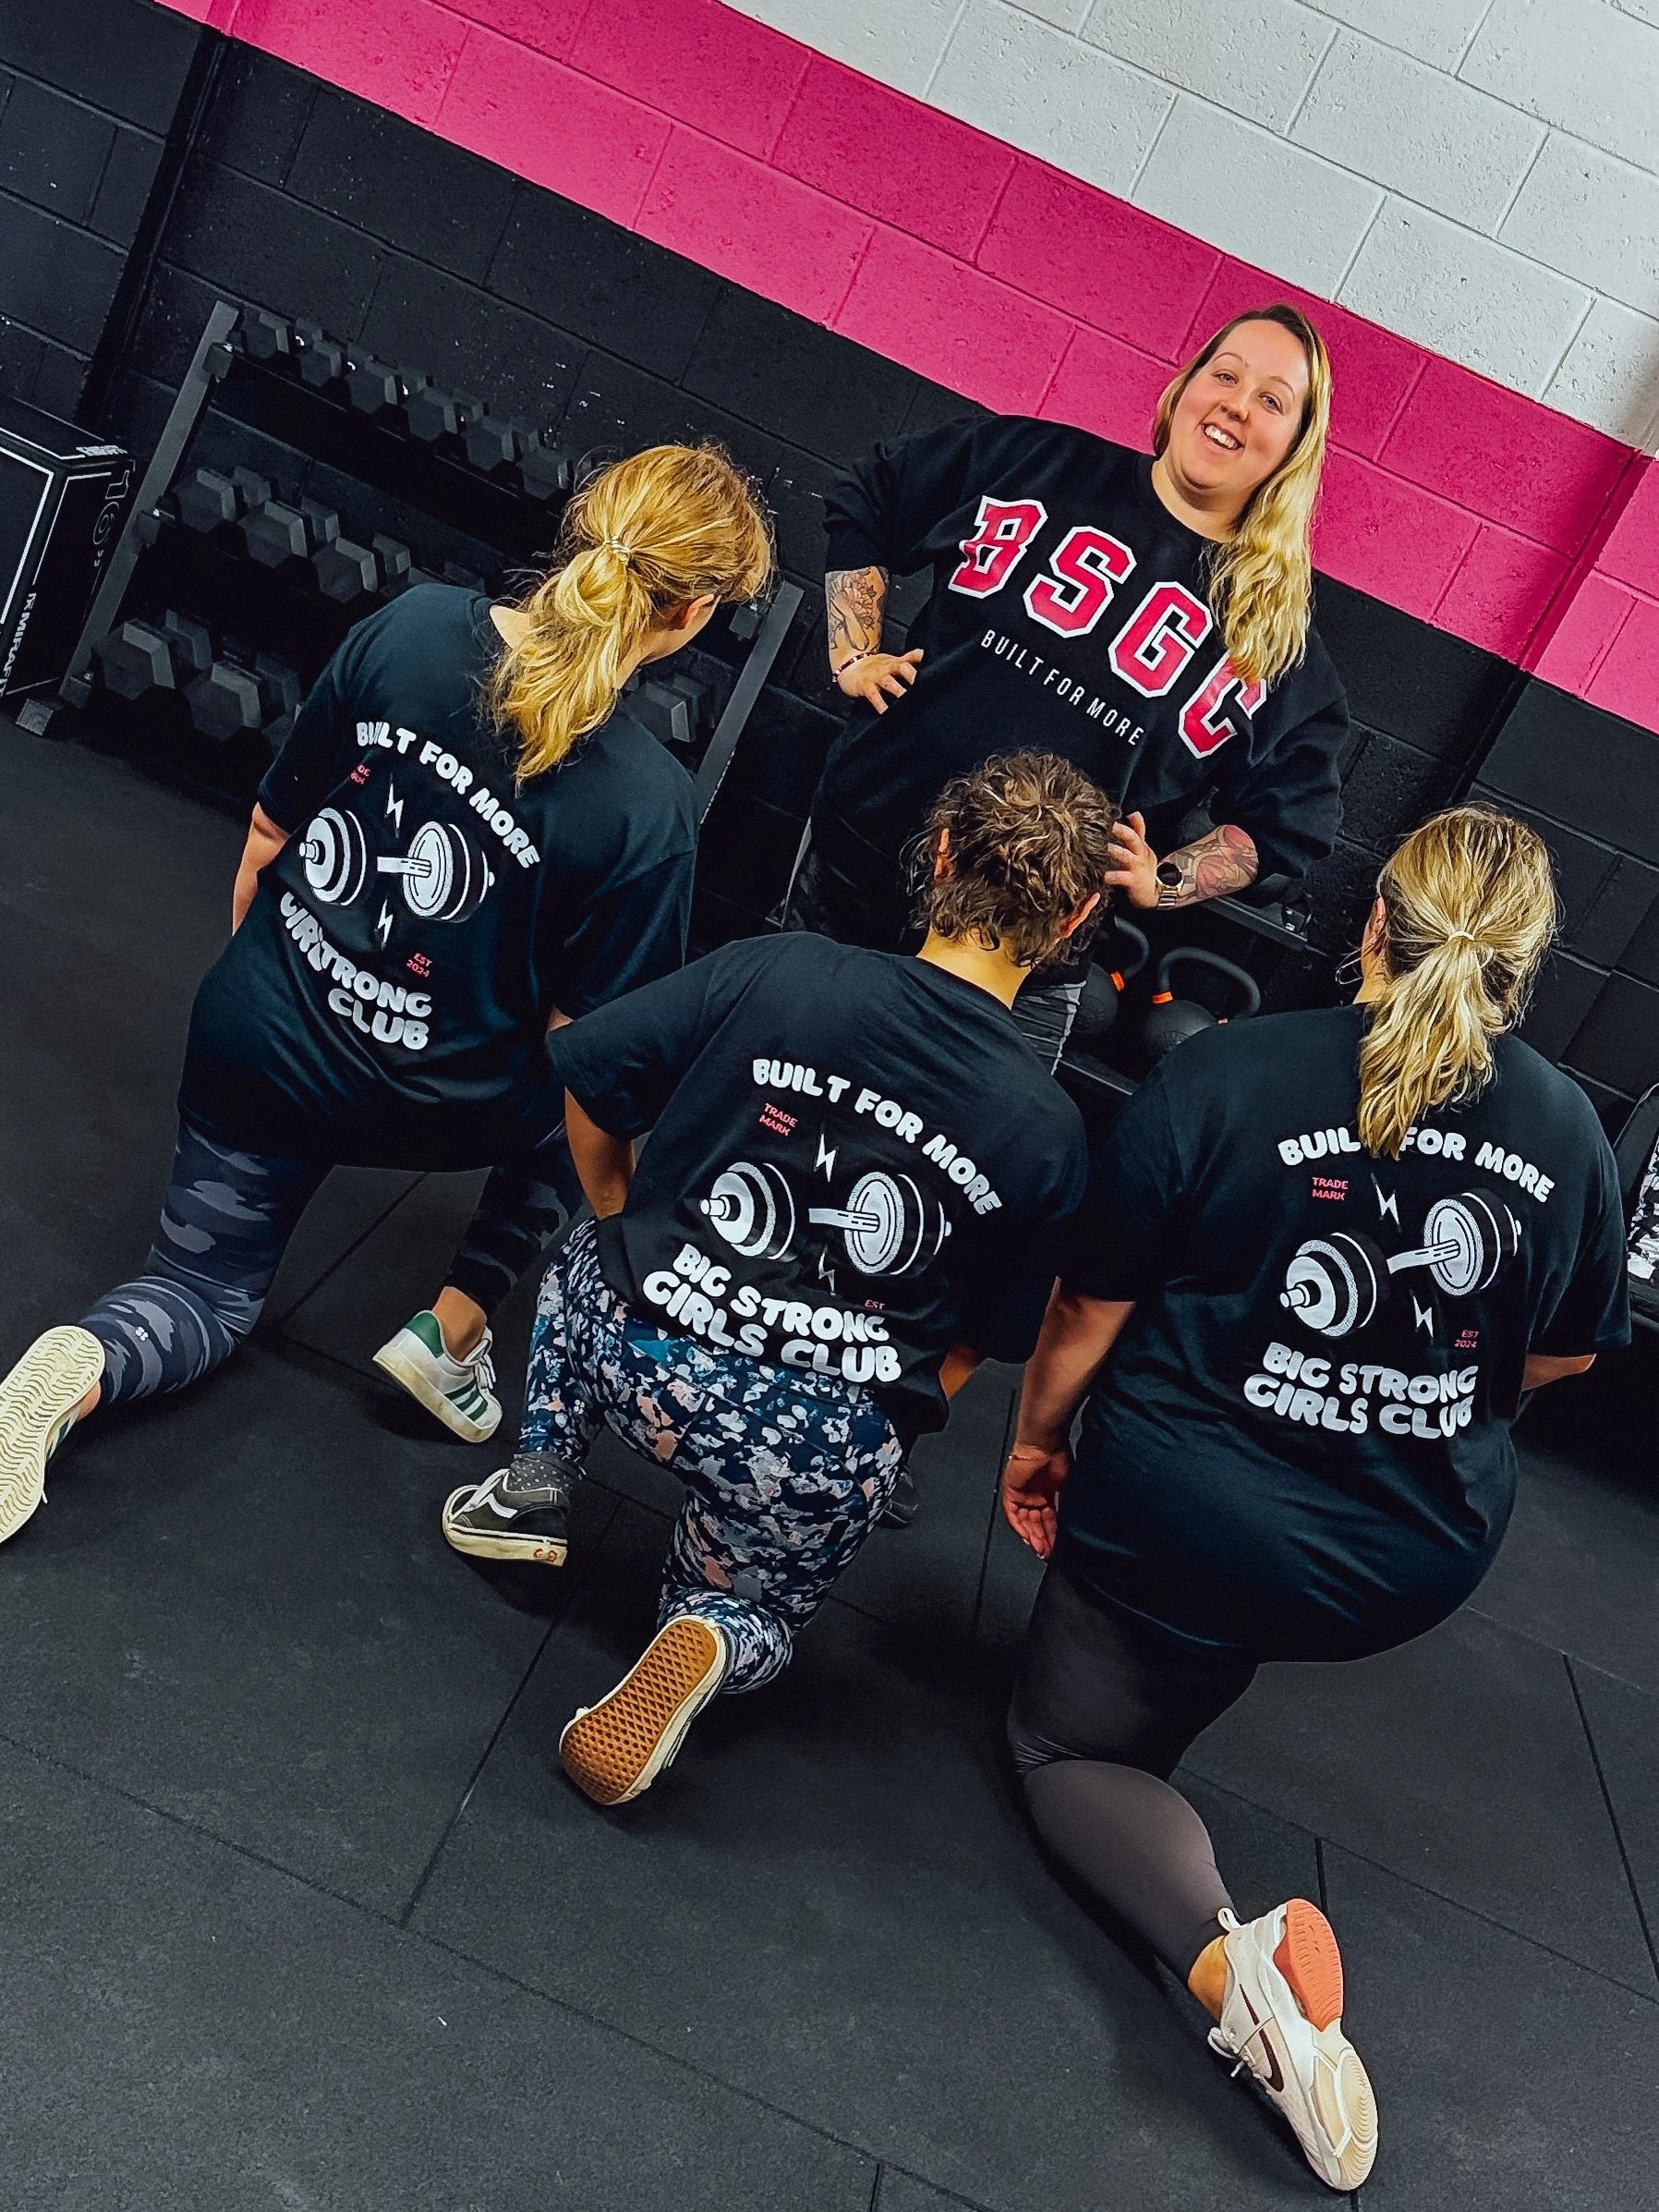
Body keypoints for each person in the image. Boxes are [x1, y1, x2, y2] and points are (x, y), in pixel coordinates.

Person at [999, 805, 1630, 2191]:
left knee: (1071, 1751)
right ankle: (1192, 1657)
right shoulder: (1572, 1134)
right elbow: (1566, 1346)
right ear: (1525, 970)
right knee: (1209, 1625)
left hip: (1183, 1514)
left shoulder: (1229, 1071)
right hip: (1404, 1552)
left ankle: (1235, 1965)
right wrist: (1422, 1375)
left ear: (1369, 926)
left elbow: (1087, 1309)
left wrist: (1036, 1443)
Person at [0, 445, 773, 1547]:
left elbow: (267, 842)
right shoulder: (648, 810)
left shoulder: (410, 627)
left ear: (581, 529)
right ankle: (449, 1335)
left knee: (201, 1295)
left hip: (252, 1039)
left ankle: (87, 1359)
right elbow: (585, 1059)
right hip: (436, 1104)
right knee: (603, 1089)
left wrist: (286, 998)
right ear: (691, 611)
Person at [441, 753, 1108, 1806]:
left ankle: (538, 1480)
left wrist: (627, 1229)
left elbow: (592, 1081)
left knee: (581, 1255)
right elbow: (979, 1340)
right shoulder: (1048, 1130)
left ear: (933, 855)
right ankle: (710, 1635)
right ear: (1072, 924)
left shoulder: (781, 966)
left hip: (635, 1347)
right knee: (755, 1604)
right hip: (803, 1444)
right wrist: (880, 1435)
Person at [793, 303, 1349, 1070]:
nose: (1235, 404)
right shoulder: (1034, 461)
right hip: (859, 870)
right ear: (1184, 385)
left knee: (934, 1178)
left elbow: (1287, 828)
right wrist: (854, 653)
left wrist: (1170, 881)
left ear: (1294, 448)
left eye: (1272, 400)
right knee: (764, 1102)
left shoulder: (1275, 640)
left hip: (1024, 968)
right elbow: (873, 496)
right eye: (1224, 374)